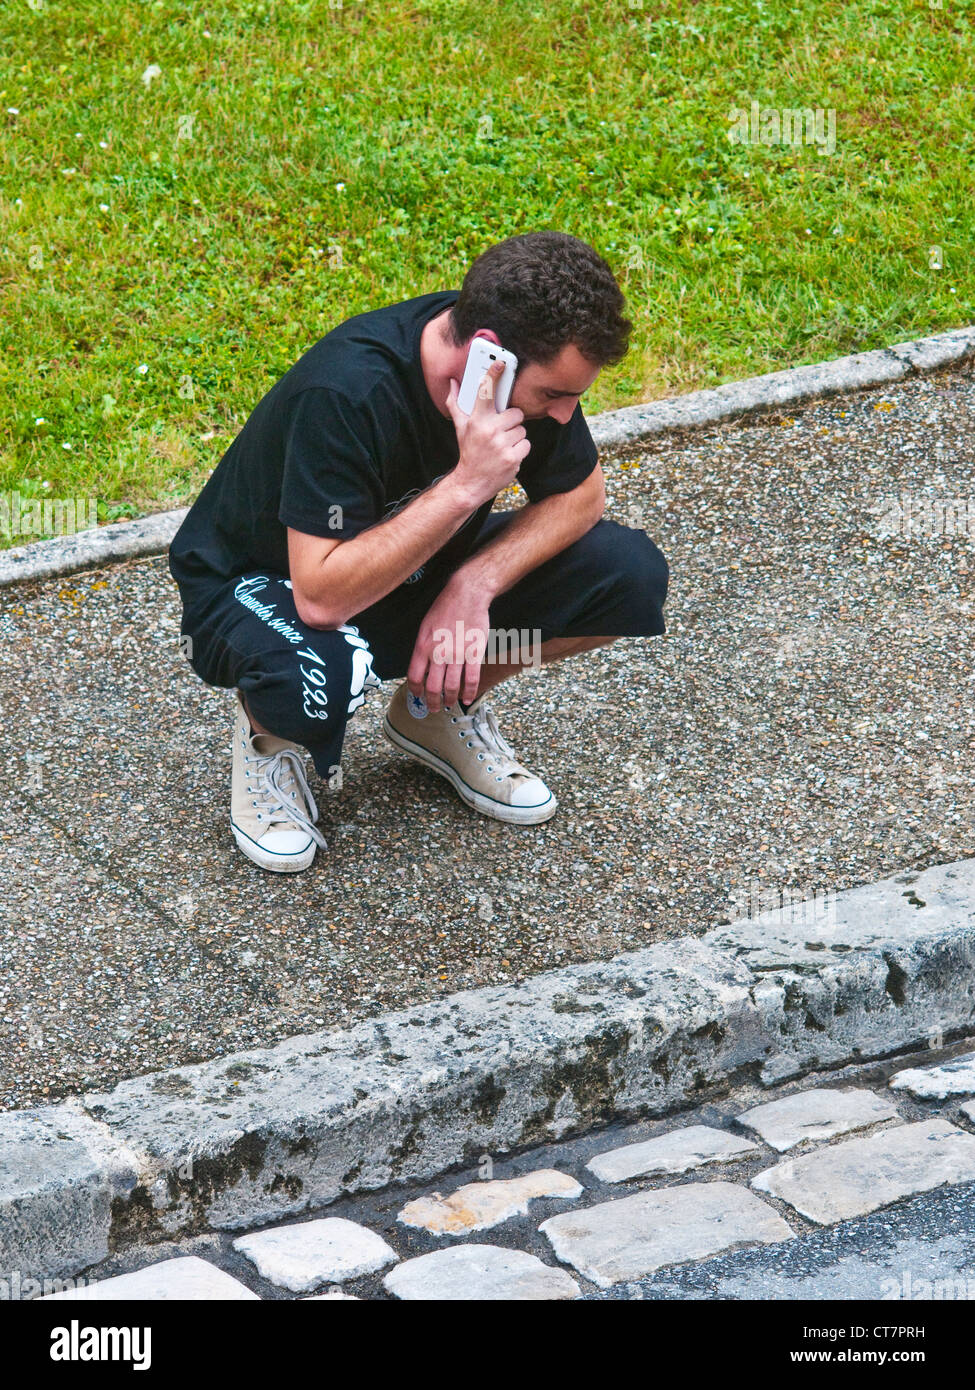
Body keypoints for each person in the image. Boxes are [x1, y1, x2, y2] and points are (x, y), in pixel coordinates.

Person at [168, 230, 669, 872]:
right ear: (492, 357)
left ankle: (435, 709)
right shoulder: (349, 392)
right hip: (266, 590)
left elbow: (582, 498)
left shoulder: (516, 379)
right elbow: (321, 596)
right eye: (555, 395)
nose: (567, 416)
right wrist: (468, 485)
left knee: (623, 576)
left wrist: (475, 585)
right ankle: (269, 745)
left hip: (409, 579)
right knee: (320, 675)